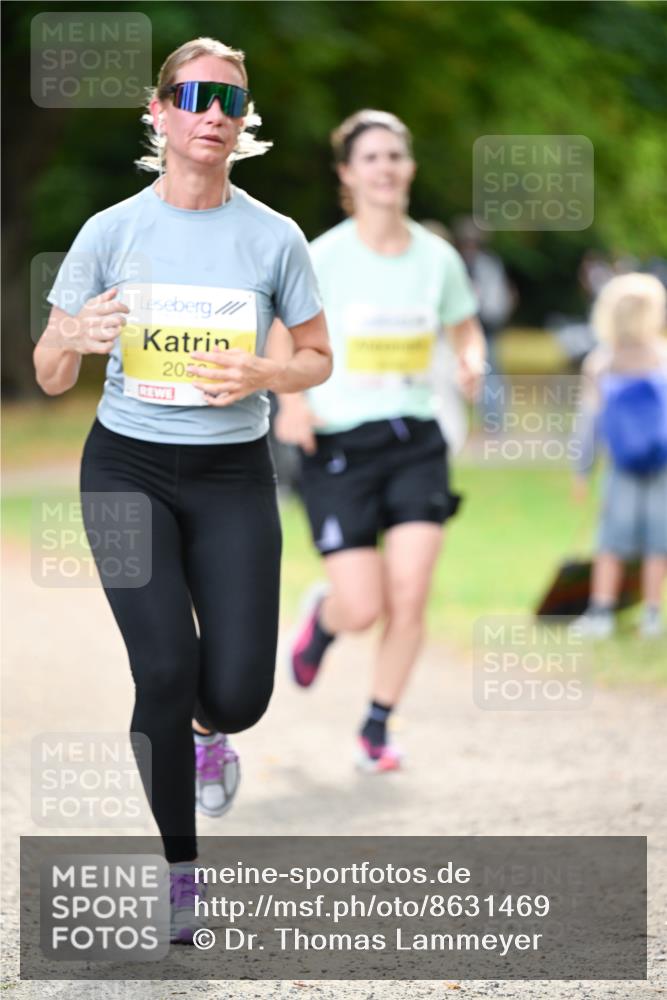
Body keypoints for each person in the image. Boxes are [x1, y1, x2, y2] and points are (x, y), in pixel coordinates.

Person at [32, 37, 331, 943]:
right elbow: (47, 373)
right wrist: (77, 334)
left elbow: (317, 358)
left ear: (243, 126)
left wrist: (265, 375)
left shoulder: (273, 237)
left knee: (235, 693)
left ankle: (214, 734)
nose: (213, 113)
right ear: (157, 112)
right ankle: (181, 873)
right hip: (124, 468)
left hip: (232, 475)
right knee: (162, 668)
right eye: (195, 95)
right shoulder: (109, 231)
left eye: (231, 102)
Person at [272, 109, 485, 773]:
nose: (385, 168)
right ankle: (324, 622)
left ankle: (377, 726)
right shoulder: (322, 254)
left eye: (395, 155)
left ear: (409, 167)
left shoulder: (437, 256)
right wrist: (292, 402)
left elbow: (464, 328)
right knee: (363, 606)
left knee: (411, 590)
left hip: (415, 438)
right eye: (370, 158)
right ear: (347, 173)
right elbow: (285, 334)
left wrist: (472, 360)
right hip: (338, 445)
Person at [572, 273, 667, 638]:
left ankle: (602, 610)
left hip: (621, 464)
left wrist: (581, 470)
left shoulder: (602, 362)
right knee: (659, 540)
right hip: (660, 462)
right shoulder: (661, 358)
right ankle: (652, 615)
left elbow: (588, 422)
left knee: (611, 539)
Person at [452, 216, 515, 430]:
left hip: (484, 325)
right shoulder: (463, 263)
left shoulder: (485, 265)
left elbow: (492, 299)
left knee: (489, 371)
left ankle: (494, 420)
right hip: (467, 325)